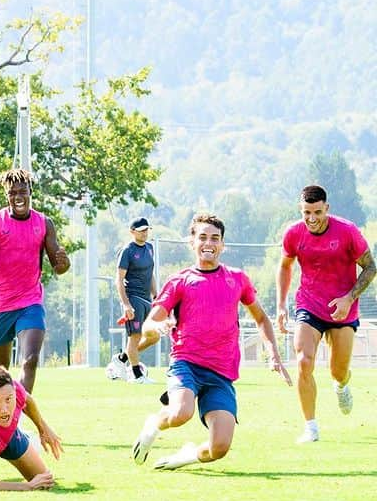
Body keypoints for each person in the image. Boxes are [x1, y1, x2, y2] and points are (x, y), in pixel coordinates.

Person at [132, 214, 291, 470]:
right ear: (192, 242)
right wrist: (157, 326)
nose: (209, 243)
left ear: (223, 244)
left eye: (215, 238)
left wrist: (274, 355)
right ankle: (154, 424)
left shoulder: (237, 278)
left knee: (219, 448)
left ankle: (184, 457)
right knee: (181, 413)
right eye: (202, 237)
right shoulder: (180, 280)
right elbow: (150, 322)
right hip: (187, 364)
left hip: (221, 373)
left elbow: (262, 319)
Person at [276, 185, 375, 443]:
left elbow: (370, 267)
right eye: (306, 212)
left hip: (343, 309)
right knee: (303, 361)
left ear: (326, 209)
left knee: (337, 371)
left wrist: (348, 298)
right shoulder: (293, 234)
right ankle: (311, 428)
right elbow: (285, 267)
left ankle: (342, 384)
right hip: (309, 304)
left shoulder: (348, 231)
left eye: (317, 212)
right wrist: (281, 305)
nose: (311, 218)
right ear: (301, 209)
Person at [0, 168, 70, 393]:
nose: (18, 197)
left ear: (30, 192)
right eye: (12, 193)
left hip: (30, 303)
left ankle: (17, 414)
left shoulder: (44, 223)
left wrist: (64, 262)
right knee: (0, 373)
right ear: (7, 196)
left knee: (30, 360)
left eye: (22, 191)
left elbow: (60, 267)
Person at [108, 217, 157, 383]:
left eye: (146, 230)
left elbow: (151, 275)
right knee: (134, 337)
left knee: (154, 336)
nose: (144, 233)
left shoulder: (150, 248)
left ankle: (122, 358)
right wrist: (126, 304)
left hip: (147, 299)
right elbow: (119, 279)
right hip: (133, 298)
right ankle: (137, 376)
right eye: (141, 230)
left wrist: (157, 296)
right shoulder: (128, 251)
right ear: (132, 232)